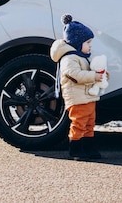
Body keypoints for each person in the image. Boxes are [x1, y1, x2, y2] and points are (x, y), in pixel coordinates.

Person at [50, 14, 106, 160]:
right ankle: (75, 148)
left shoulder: (81, 57)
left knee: (89, 123)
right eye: (88, 42)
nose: (90, 46)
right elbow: (74, 75)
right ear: (77, 42)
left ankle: (88, 146)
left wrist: (101, 75)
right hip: (77, 98)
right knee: (79, 123)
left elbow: (87, 72)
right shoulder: (69, 59)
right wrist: (93, 76)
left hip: (87, 97)